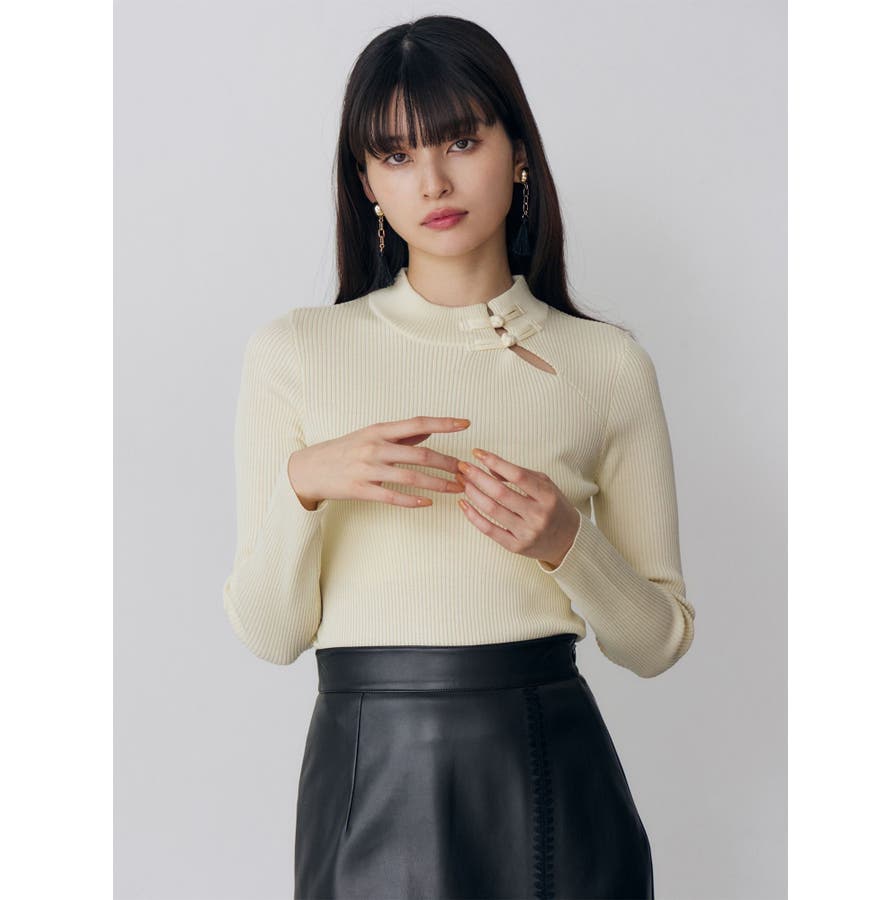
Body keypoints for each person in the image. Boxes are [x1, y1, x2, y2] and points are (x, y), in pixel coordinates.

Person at [222, 14, 695, 900]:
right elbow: (269, 633)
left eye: (462, 141)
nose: (433, 181)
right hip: (368, 775)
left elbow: (658, 642)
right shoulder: (294, 352)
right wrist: (304, 485)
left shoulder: (606, 365)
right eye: (396, 155)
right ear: (365, 181)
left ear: (518, 154)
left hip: (552, 774)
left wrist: (567, 543)